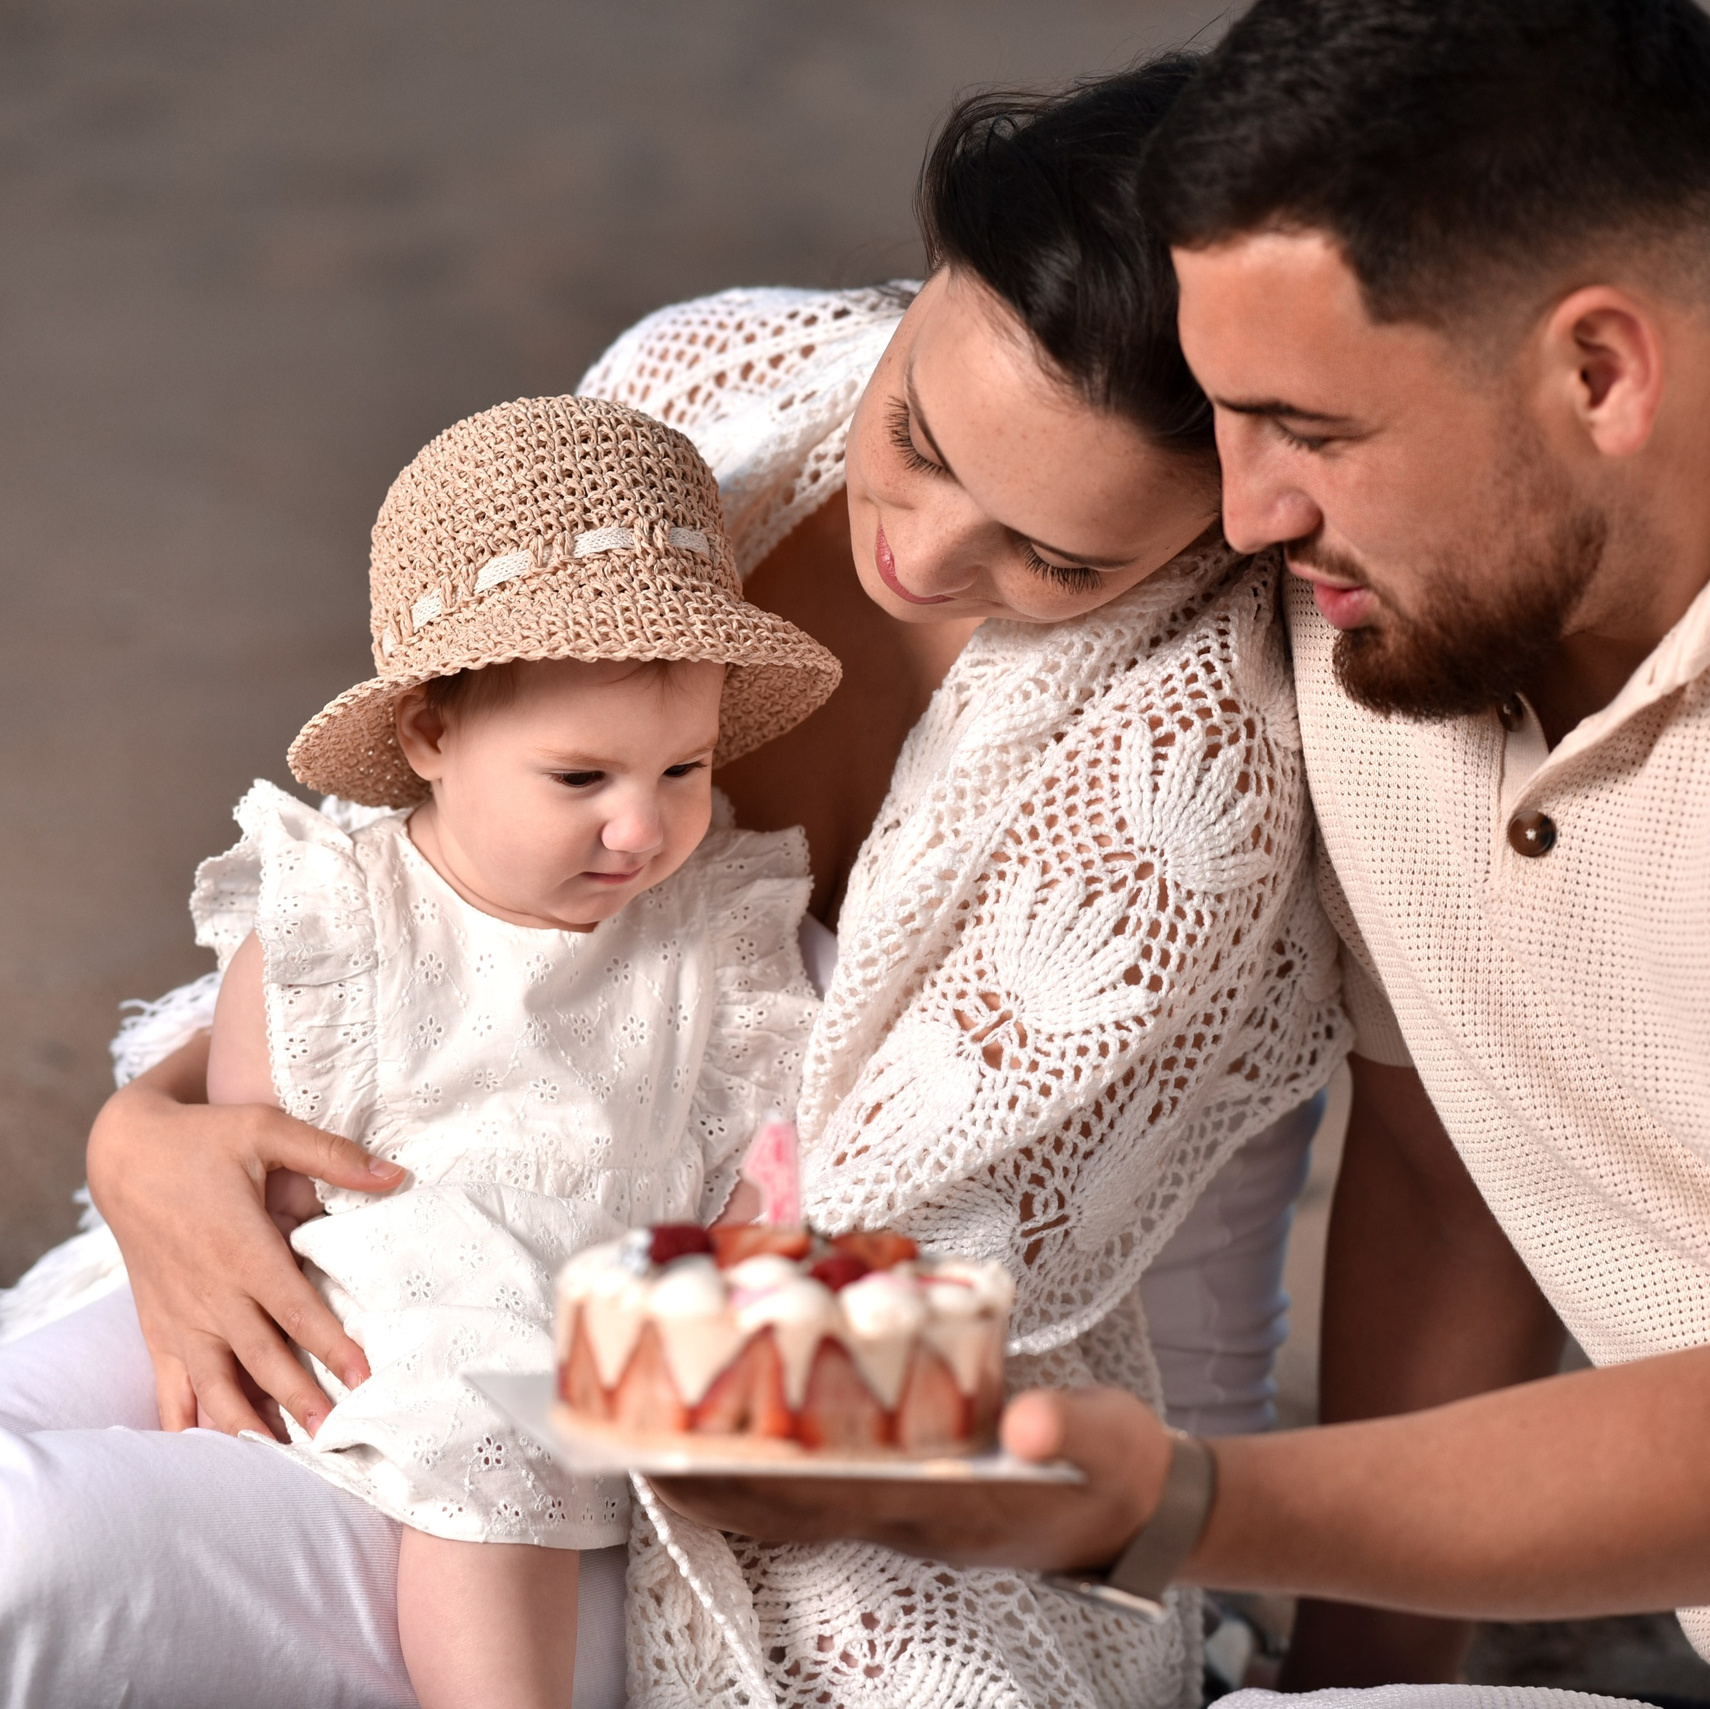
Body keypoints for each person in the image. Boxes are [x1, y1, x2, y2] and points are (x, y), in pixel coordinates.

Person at [0, 59, 1345, 1709]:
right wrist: (146, 1130)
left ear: (1239, 501)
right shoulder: (701, 400)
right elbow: (410, 913)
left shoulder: (1215, 770)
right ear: (924, 279)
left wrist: (1312, 1630)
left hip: (725, 1455)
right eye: (915, 435)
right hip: (386, 1241)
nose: (919, 556)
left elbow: (1033, 1291)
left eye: (1055, 558)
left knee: (36, 1568)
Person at [647, 0, 1710, 1698]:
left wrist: (1180, 1497)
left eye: (1310, 425)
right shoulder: (1361, 626)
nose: (1246, 515)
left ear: (1598, 371)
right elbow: (1450, 1189)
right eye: (1224, 416)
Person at [200, 394, 836, 1707]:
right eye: (580, 778)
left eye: (684, 768)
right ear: (432, 737)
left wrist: (738, 1260)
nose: (640, 829)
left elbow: (762, 1142)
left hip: (629, 1314)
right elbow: (254, 1177)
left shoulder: (706, 922)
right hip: (403, 1319)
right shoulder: (342, 925)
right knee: (482, 1390)